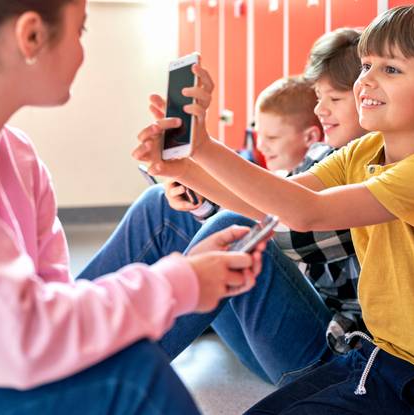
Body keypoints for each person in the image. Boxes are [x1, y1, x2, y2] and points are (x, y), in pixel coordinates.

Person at [0, 1, 267, 414]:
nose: (83, 51)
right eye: (80, 31)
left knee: (121, 342)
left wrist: (184, 279)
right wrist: (180, 283)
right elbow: (23, 338)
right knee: (130, 377)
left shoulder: (20, 157)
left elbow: (52, 300)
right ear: (31, 36)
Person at [136, 4, 414, 414]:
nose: (365, 82)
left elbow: (306, 213)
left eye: (390, 70)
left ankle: (105, 370)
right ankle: (99, 353)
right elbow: (268, 204)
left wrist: (204, 148)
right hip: (373, 356)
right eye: (365, 66)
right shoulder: (366, 149)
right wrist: (182, 167)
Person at [124, 28, 368, 386]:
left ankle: (111, 373)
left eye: (334, 99)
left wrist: (197, 160)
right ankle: (75, 329)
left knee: (232, 226)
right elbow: (269, 206)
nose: (320, 110)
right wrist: (190, 181)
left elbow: (286, 224)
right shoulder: (328, 157)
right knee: (160, 204)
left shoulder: (373, 166)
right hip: (282, 337)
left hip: (330, 357)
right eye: (318, 97)